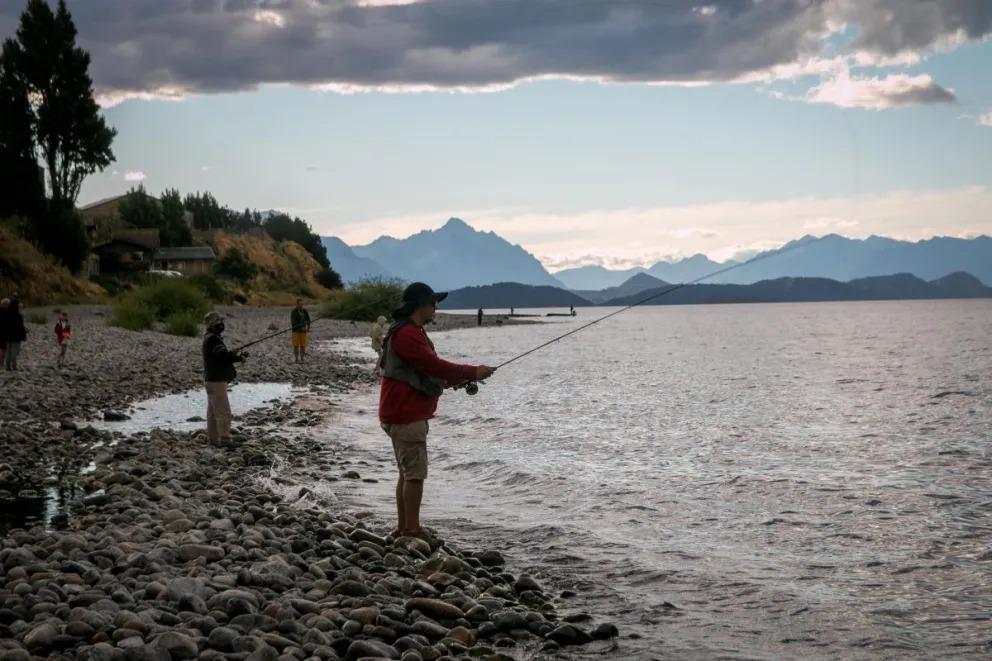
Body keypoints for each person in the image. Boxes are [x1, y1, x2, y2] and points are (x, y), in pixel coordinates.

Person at [379, 282, 496, 541]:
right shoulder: (407, 334)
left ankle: (403, 528)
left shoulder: (406, 330)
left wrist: (456, 379)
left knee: (406, 473)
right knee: (415, 475)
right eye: (433, 303)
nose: (436, 308)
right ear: (420, 305)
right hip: (405, 414)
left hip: (399, 411)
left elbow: (423, 370)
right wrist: (472, 371)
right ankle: (412, 530)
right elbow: (434, 365)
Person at [202, 311, 246, 447]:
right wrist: (239, 358)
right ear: (212, 324)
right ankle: (225, 440)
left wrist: (231, 353)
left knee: (213, 413)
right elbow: (223, 357)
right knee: (223, 412)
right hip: (217, 381)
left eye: (221, 321)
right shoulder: (213, 339)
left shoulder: (209, 337)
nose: (221, 324)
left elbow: (220, 354)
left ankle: (214, 440)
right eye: (218, 321)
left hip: (210, 380)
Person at [3, 299, 26, 371]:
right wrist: (24, 335)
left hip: (7, 336)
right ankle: (14, 365)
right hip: (16, 336)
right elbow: (20, 327)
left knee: (8, 351)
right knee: (15, 351)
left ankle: (8, 366)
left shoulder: (6, 314)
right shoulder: (19, 316)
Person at [290, 298, 311, 364]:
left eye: (302, 304)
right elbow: (294, 323)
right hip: (295, 331)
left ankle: (302, 359)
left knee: (303, 346)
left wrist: (308, 327)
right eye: (299, 304)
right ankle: (296, 359)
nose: (301, 305)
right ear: (296, 304)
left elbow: (308, 320)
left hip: (303, 332)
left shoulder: (305, 311)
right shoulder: (293, 312)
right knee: (296, 346)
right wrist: (301, 328)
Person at [0, 298, 9, 366]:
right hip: (4, 333)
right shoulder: (7, 313)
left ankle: (1, 363)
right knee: (3, 349)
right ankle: (1, 363)